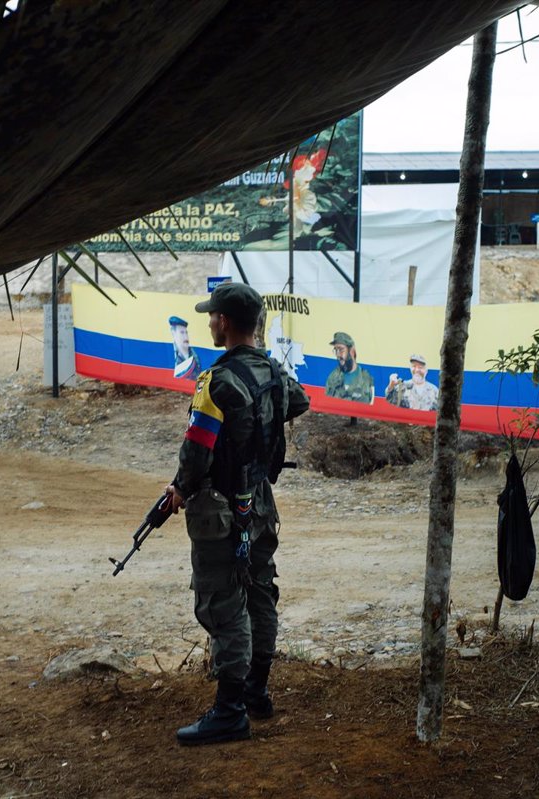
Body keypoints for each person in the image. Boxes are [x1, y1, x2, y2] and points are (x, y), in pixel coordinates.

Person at [164, 282, 310, 746]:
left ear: (225, 322)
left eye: (212, 316)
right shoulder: (270, 370)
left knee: (224, 602)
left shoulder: (217, 380)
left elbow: (197, 449)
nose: (208, 322)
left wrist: (180, 489)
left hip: (221, 508)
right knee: (261, 591)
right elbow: (300, 400)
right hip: (261, 502)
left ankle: (229, 712)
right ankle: (256, 693)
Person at [324, 331, 373, 403]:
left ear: (352, 351)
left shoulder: (366, 378)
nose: (338, 355)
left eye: (341, 349)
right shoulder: (333, 377)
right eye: (335, 350)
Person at [169, 315, 200, 380]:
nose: (185, 336)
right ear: (173, 333)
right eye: (182, 333)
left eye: (186, 333)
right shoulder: (170, 354)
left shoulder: (195, 356)